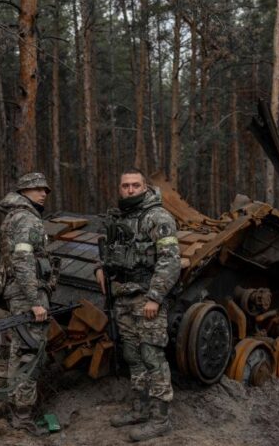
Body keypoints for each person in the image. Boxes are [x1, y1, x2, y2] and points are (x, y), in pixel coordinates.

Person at [96, 168, 180, 442]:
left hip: (146, 298)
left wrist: (155, 297)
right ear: (119, 188)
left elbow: (170, 260)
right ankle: (140, 409)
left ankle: (160, 419)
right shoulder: (120, 218)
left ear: (145, 187)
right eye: (125, 186)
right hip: (123, 298)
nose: (130, 190)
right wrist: (100, 268)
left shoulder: (158, 217)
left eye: (135, 185)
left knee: (152, 357)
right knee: (133, 357)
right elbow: (110, 251)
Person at [0, 172, 54, 434]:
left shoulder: (13, 217)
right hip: (28, 294)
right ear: (23, 192)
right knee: (30, 352)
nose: (43, 193)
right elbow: (22, 261)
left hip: (17, 292)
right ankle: (23, 417)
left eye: (45, 189)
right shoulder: (27, 219)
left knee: (19, 350)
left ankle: (15, 408)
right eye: (37, 189)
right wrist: (35, 301)